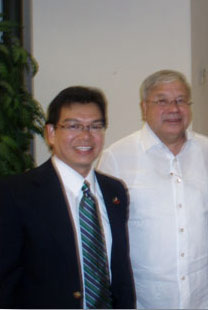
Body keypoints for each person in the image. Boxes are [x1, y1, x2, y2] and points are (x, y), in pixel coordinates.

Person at [98, 69, 208, 309]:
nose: (173, 109)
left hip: (203, 294)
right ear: (144, 107)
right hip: (146, 298)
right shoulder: (115, 157)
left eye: (180, 100)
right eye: (162, 101)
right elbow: (104, 232)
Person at [0, 86, 136, 308]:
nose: (86, 136)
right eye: (73, 126)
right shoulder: (16, 194)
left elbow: (120, 272)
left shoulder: (115, 191)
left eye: (95, 126)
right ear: (51, 133)